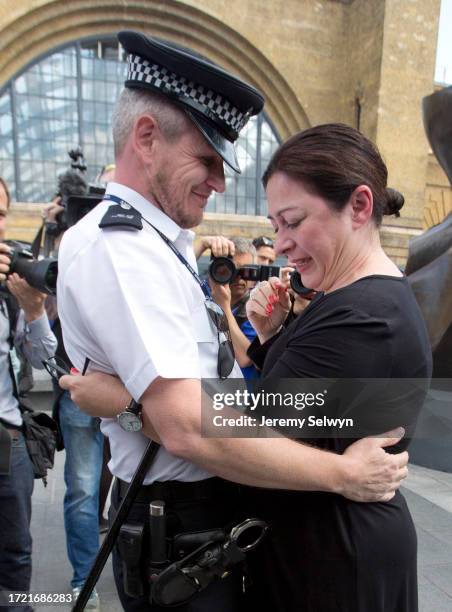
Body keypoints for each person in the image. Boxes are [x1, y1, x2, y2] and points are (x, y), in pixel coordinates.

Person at [57, 31, 409, 611]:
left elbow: (214, 406)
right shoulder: (123, 250)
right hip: (178, 522)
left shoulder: (155, 243)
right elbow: (191, 427)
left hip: (194, 519)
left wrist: (127, 401)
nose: (219, 182)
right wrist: (343, 475)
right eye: (208, 160)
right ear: (147, 138)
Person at [241, 123, 433, 611]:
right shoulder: (352, 301)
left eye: (293, 220)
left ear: (360, 206)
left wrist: (135, 400)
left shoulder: (364, 315)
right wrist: (270, 337)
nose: (280, 242)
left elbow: (244, 427)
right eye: (276, 224)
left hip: (336, 562)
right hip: (329, 549)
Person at [0, 177, 57, 612]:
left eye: (1, 214)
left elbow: (42, 360)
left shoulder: (8, 291)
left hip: (7, 437)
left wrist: (35, 311)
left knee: (16, 551)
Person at [210, 237, 259, 379]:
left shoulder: (257, 307)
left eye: (246, 271)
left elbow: (245, 358)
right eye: (234, 270)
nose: (240, 278)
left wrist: (223, 307)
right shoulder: (205, 295)